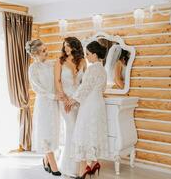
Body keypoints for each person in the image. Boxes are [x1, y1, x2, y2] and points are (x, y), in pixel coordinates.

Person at [67, 41, 109, 179]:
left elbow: (85, 88)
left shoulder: (92, 69)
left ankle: (83, 172)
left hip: (90, 105)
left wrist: (72, 100)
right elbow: (100, 89)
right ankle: (95, 164)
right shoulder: (102, 69)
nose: (86, 56)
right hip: (98, 104)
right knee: (94, 133)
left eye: (88, 54)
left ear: (95, 55)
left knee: (83, 133)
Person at [26, 39, 61, 176]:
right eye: (43, 51)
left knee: (53, 131)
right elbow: (37, 88)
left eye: (46, 49)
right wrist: (53, 96)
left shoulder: (51, 64)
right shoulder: (33, 68)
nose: (47, 52)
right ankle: (54, 166)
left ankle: (46, 160)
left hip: (54, 103)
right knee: (45, 132)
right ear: (35, 55)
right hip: (44, 103)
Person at [54, 37, 86, 177]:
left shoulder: (83, 62)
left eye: (68, 46)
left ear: (75, 46)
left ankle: (79, 167)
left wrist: (75, 99)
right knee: (71, 129)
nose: (66, 48)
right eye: (64, 46)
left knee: (78, 130)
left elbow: (84, 84)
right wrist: (65, 99)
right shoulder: (60, 61)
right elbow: (58, 81)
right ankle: (69, 167)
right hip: (64, 100)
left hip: (78, 101)